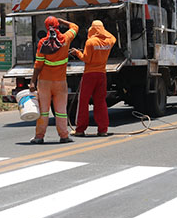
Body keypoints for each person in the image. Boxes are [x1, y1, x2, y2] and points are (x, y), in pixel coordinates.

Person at [28, 16, 79, 144]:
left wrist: (33, 81)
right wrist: (62, 21)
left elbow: (38, 65)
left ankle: (39, 137)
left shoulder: (42, 43)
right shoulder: (66, 39)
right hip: (60, 82)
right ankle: (64, 136)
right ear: (57, 26)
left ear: (46, 27)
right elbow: (75, 27)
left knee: (43, 111)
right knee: (61, 111)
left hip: (44, 82)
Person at [70, 20, 116, 137]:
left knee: (83, 102)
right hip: (101, 75)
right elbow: (112, 37)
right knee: (100, 102)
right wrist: (103, 32)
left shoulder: (90, 42)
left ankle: (80, 129)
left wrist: (77, 53)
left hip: (89, 75)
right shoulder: (109, 41)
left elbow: (86, 59)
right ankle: (102, 129)